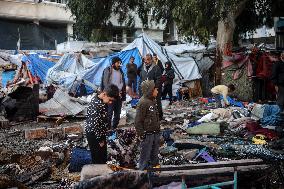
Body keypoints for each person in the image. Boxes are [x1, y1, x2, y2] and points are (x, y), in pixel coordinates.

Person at [85, 84, 119, 164]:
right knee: (98, 158)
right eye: (110, 100)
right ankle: (98, 174)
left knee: (103, 156)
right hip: (94, 135)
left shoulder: (101, 101)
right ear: (104, 94)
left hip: (100, 133)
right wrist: (100, 140)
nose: (110, 103)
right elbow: (94, 125)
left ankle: (102, 171)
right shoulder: (96, 105)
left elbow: (102, 120)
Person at [135, 80, 160, 170]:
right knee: (145, 154)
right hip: (148, 133)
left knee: (155, 153)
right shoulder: (143, 103)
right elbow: (138, 121)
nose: (157, 91)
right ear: (150, 90)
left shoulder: (152, 100)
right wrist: (142, 134)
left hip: (155, 132)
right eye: (155, 90)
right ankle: (142, 171)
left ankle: (155, 169)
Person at [101, 56, 126, 129]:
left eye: (120, 63)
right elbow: (106, 84)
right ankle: (108, 129)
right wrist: (111, 94)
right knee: (109, 114)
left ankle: (114, 128)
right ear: (113, 63)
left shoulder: (121, 71)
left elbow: (122, 83)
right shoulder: (108, 70)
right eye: (118, 63)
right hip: (110, 96)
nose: (119, 64)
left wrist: (122, 93)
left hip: (119, 96)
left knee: (117, 115)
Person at [139, 54, 163, 120]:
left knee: (156, 103)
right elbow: (141, 78)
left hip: (154, 89)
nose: (146, 61)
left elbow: (159, 79)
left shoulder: (156, 67)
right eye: (145, 59)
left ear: (151, 60)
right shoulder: (142, 68)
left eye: (148, 59)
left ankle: (159, 117)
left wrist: (156, 89)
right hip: (146, 89)